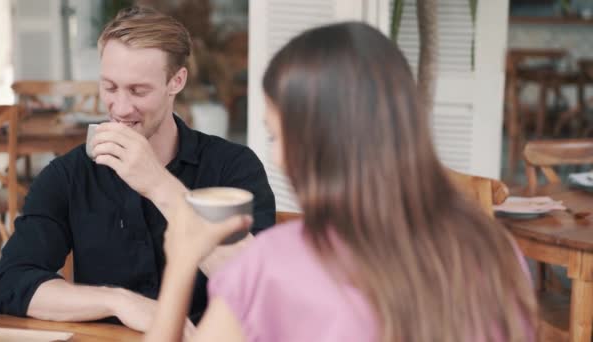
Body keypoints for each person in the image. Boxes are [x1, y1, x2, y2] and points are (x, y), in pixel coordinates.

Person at [136, 22, 537, 341]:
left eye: (277, 136)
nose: (276, 154)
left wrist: (183, 262)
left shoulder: (271, 265)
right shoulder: (495, 249)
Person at [0, 6, 275, 333]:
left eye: (139, 91)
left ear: (176, 81)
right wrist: (120, 302)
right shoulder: (68, 175)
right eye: (110, 88)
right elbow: (12, 284)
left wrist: (157, 183)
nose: (122, 108)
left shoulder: (232, 167)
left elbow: (260, 288)